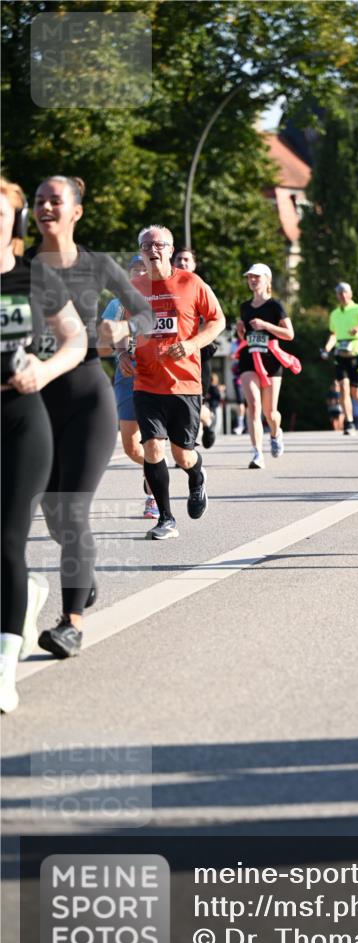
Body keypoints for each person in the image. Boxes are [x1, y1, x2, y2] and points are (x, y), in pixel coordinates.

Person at [28, 175, 153, 658]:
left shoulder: (97, 265)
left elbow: (145, 315)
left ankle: (70, 623)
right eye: (39, 201)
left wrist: (120, 326)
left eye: (55, 201)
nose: (45, 208)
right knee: (53, 514)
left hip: (86, 398)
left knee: (72, 511)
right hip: (34, 404)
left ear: (76, 210)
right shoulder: (22, 268)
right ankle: (85, 580)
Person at [1, 178, 88, 709]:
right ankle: (26, 596)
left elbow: (76, 339)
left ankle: (3, 666)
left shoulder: (32, 277)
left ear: (11, 222)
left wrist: (45, 368)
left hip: (19, 419)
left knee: (6, 540)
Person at [108, 225, 225, 539]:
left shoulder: (191, 282)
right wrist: (120, 353)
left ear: (171, 250)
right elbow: (118, 327)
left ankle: (197, 478)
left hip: (185, 383)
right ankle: (165, 519)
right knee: (152, 449)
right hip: (146, 382)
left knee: (182, 456)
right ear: (141, 251)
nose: (152, 249)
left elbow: (218, 320)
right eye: (146, 244)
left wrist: (191, 344)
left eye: (159, 244)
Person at [98, 254, 159, 518]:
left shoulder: (161, 300)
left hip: (157, 375)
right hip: (127, 374)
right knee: (131, 447)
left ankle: (154, 496)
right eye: (133, 271)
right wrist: (117, 348)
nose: (138, 276)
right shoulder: (116, 303)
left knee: (154, 439)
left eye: (143, 270)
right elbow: (99, 345)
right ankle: (156, 466)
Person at [236, 262, 299, 469]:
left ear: (267, 280)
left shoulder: (275, 305)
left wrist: (266, 325)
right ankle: (256, 454)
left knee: (270, 412)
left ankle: (275, 433)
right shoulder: (244, 307)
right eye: (250, 277)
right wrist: (240, 332)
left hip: (271, 359)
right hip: (249, 357)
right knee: (253, 406)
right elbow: (245, 335)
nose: (252, 280)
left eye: (257, 277)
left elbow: (289, 334)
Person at [172, 246, 217, 449]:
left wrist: (196, 340)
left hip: (198, 352)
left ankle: (206, 424)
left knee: (196, 400)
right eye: (179, 259)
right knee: (173, 398)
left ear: (194, 264)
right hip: (172, 352)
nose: (182, 263)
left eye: (186, 260)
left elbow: (214, 320)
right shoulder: (164, 286)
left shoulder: (201, 287)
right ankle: (182, 444)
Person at [321, 282, 358, 436]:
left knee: (356, 392)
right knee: (343, 389)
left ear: (351, 294)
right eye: (339, 293)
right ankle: (349, 423)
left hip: (357, 354)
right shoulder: (334, 314)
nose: (342, 295)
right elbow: (333, 334)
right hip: (340, 354)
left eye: (345, 292)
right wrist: (327, 348)